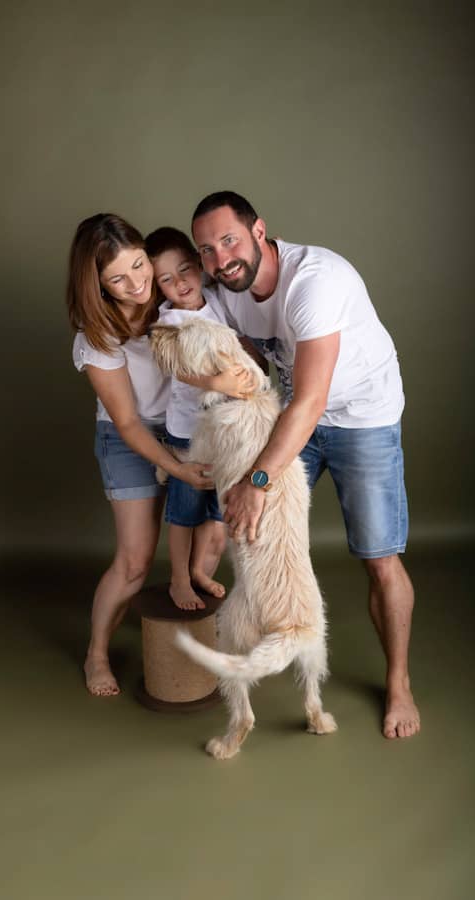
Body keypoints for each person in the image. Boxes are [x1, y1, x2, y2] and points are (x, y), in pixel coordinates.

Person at [190, 191, 420, 740]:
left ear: (259, 231)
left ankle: (399, 681)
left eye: (229, 241)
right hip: (291, 411)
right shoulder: (226, 292)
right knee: (243, 528)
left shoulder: (315, 281)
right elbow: (242, 364)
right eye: (207, 250)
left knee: (379, 558)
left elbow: (313, 400)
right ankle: (246, 653)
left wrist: (258, 478)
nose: (221, 260)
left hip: (360, 415)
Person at [66, 213, 252, 696]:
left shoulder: (178, 294)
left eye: (139, 266)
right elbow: (128, 421)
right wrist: (176, 470)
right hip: (129, 435)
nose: (137, 284)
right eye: (118, 279)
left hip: (192, 426)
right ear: (99, 286)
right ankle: (97, 653)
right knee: (133, 562)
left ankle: (184, 621)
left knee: (209, 537)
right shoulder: (97, 334)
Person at [145, 226, 229, 611]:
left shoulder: (216, 301)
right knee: (184, 511)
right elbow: (178, 366)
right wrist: (217, 379)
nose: (179, 283)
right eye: (166, 279)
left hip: (225, 430)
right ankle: (180, 578)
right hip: (188, 434)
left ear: (199, 265)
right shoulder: (168, 323)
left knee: (216, 509)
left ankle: (199, 570)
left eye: (184, 270)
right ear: (157, 287)